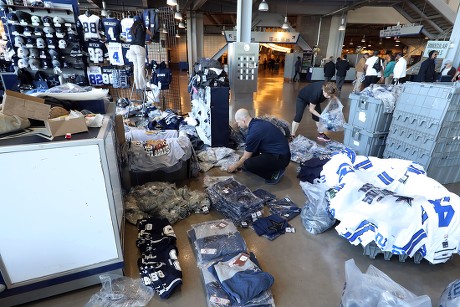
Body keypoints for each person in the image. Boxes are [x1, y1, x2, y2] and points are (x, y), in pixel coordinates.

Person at [227, 109, 291, 185]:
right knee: (250, 155)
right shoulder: (258, 123)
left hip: (281, 158)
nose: (238, 125)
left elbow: (246, 157)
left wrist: (235, 166)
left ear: (243, 121)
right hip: (281, 153)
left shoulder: (254, 132)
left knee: (248, 164)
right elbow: (252, 149)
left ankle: (273, 174)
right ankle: (273, 166)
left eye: (238, 122)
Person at [129, 15, 152, 90]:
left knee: (135, 67)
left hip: (132, 48)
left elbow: (136, 39)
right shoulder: (142, 27)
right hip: (139, 48)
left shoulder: (132, 28)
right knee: (141, 67)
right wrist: (152, 36)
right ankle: (143, 85)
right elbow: (151, 34)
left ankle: (137, 85)